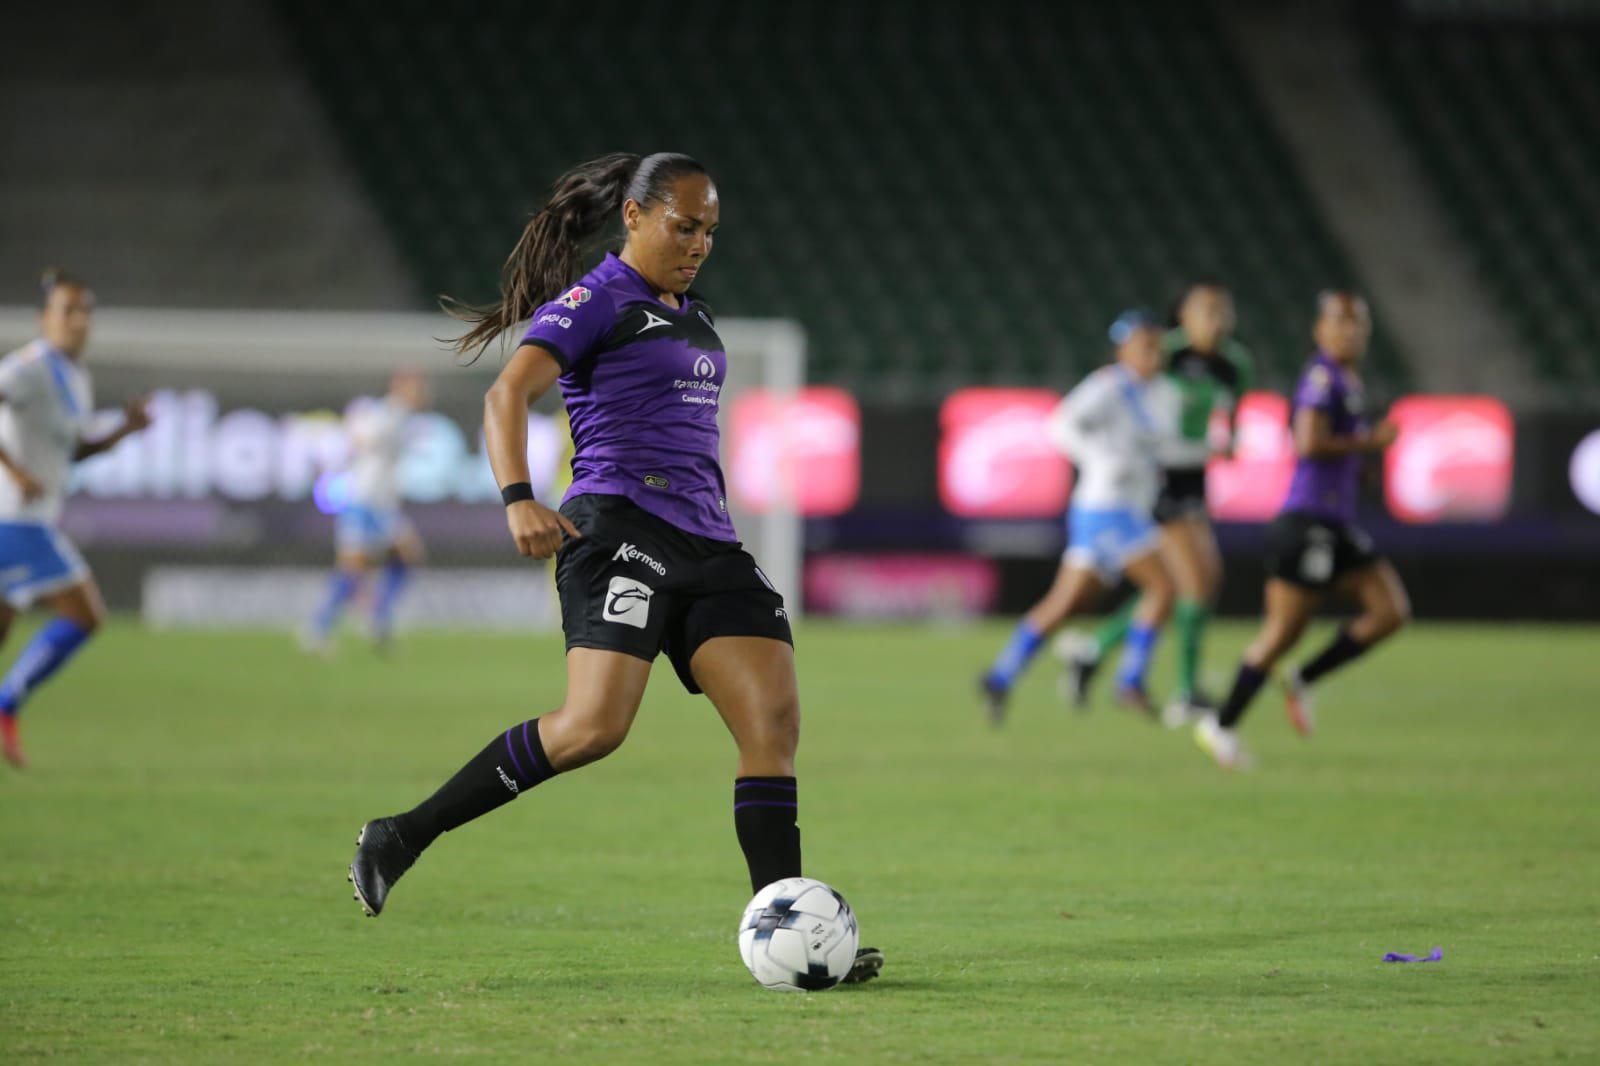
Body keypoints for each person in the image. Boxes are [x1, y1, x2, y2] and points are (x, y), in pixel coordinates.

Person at [346, 152, 882, 983]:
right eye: (683, 225)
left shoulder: (693, 314)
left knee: (772, 731)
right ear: (633, 217)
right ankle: (401, 835)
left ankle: (794, 935)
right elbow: (506, 394)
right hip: (618, 528)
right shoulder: (596, 300)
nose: (699, 242)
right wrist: (518, 495)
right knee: (593, 729)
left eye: (709, 229)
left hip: (710, 545)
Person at [1195, 291, 1409, 770]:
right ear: (1320, 331)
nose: (1349, 332)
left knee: (1390, 611)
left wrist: (1358, 465)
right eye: (1340, 324)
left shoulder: (1348, 378)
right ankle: (1221, 724)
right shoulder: (1320, 377)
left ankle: (1304, 678)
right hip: (1306, 523)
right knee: (1279, 635)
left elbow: (1332, 450)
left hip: (1335, 522)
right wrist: (1368, 442)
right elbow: (1308, 443)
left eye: (1357, 325)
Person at [1063, 282, 1252, 725]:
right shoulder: (1161, 352)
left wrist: (1225, 443)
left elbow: (1232, 417)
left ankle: (1094, 652)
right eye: (1206, 310)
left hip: (1194, 479)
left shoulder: (1235, 364)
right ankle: (1182, 690)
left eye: (1223, 311)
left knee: (1193, 582)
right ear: (1183, 315)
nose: (1217, 320)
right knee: (1187, 584)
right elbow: (1136, 408)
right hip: (1158, 480)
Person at [979, 310, 1180, 724]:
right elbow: (1061, 424)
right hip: (1107, 506)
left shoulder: (1159, 392)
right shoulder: (1109, 386)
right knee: (1164, 588)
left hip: (1115, 509)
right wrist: (1100, 458)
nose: (1152, 353)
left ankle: (1001, 674)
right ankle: (1130, 680)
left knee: (1067, 602)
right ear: (1123, 349)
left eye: (1156, 345)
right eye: (1143, 345)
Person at [0, 269, 151, 768]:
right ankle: (6, 705)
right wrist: (16, 472)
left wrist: (123, 432)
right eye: (68, 310)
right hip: (14, 519)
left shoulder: (76, 378)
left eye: (85, 311)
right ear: (46, 318)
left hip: (31, 517)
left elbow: (73, 453)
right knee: (86, 614)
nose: (79, 320)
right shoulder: (28, 366)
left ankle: (5, 706)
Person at [305, 369, 429, 654]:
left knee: (406, 557)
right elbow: (360, 437)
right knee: (353, 566)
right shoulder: (388, 413)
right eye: (416, 387)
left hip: (381, 502)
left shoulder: (400, 416)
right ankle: (320, 628)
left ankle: (376, 618)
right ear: (401, 388)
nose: (422, 394)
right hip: (364, 500)